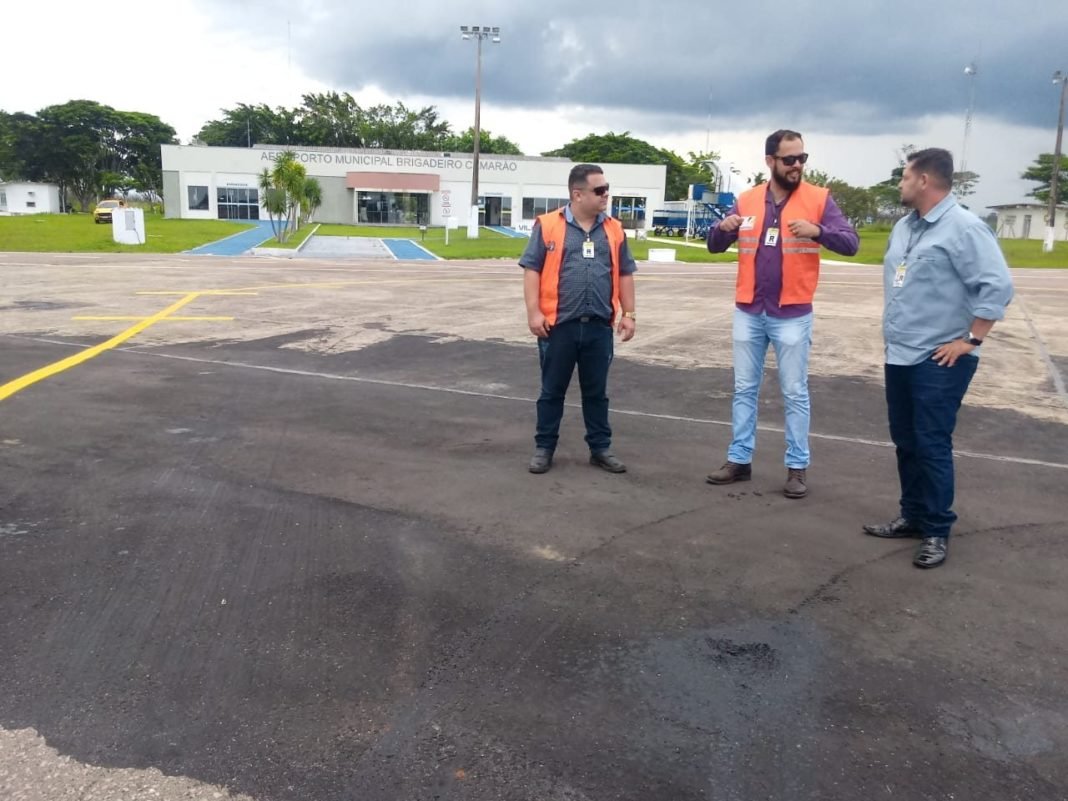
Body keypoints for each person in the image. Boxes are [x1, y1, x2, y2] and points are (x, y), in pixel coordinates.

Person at [863, 148, 1013, 568]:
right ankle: (912, 515)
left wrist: (971, 339)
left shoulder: (965, 228)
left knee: (931, 443)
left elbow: (997, 286)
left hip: (939, 358)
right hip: (900, 353)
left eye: (904, 177)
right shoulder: (904, 227)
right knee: (906, 440)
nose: (900, 184)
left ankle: (936, 529)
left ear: (924, 180)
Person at [706, 130, 859, 498]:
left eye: (802, 158)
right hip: (749, 309)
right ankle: (739, 459)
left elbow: (851, 243)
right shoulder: (747, 200)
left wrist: (818, 231)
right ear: (770, 161)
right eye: (790, 159)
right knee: (744, 389)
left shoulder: (818, 198)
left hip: (791, 312)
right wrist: (722, 228)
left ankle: (797, 467)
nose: (797, 165)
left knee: (794, 392)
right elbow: (714, 245)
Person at [520, 163, 637, 474]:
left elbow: (625, 273)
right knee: (551, 391)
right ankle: (544, 447)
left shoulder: (614, 229)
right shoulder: (548, 225)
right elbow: (532, 269)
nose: (605, 195)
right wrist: (533, 312)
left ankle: (600, 448)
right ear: (577, 194)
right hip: (557, 326)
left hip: (598, 327)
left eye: (606, 189)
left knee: (596, 393)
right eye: (599, 190)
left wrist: (629, 314)